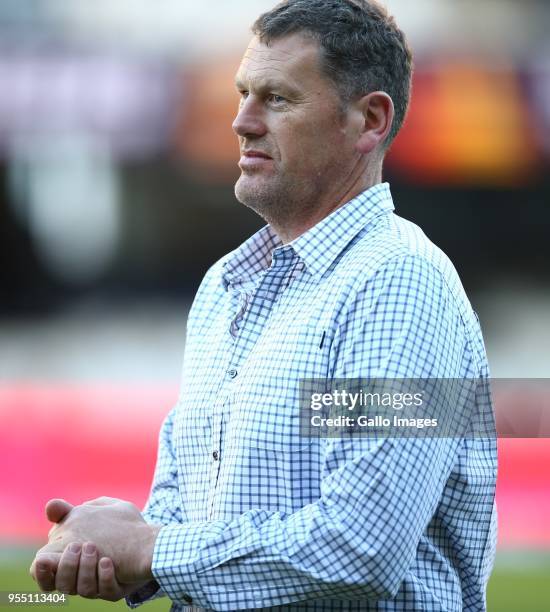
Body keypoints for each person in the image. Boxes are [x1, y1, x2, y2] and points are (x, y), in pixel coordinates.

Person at [30, 0, 497, 610]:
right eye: (243, 93)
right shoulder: (224, 286)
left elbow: (360, 548)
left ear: (369, 121)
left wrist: (149, 549)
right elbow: (183, 513)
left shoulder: (399, 283)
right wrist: (120, 547)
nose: (242, 122)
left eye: (277, 99)